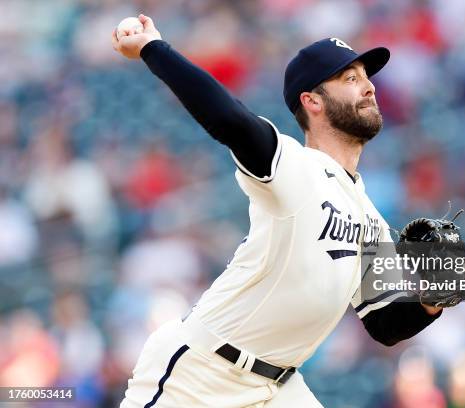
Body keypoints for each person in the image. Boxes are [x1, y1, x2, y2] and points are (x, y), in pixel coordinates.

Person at [112, 14, 443, 408]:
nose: (369, 87)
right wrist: (154, 48)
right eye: (351, 78)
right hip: (203, 374)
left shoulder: (370, 218)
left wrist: (433, 295)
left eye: (366, 77)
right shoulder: (293, 167)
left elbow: (385, 324)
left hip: (279, 387)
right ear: (312, 100)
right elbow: (229, 120)